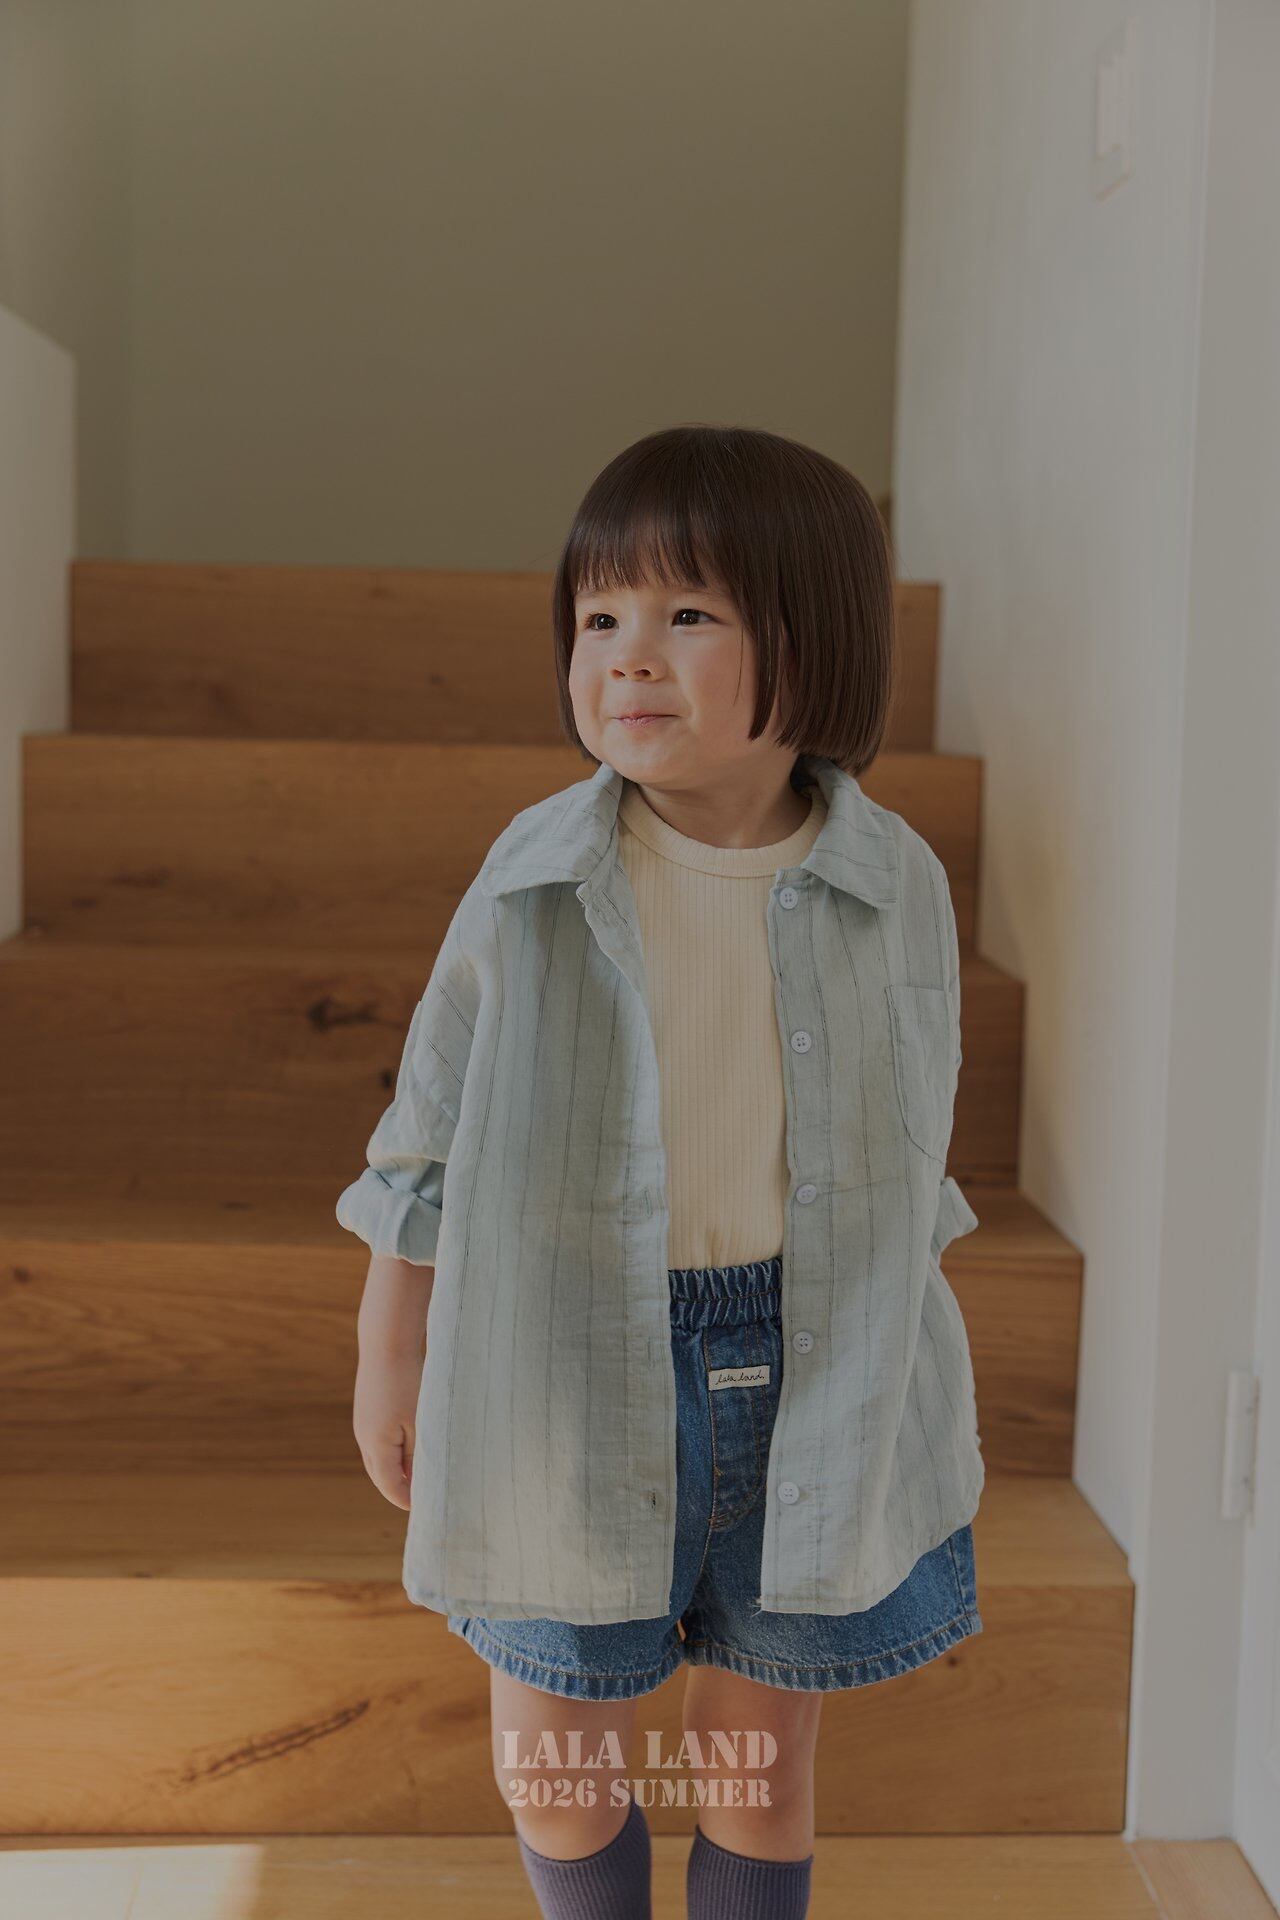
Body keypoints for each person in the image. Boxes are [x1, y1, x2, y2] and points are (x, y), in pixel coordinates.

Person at [338, 423, 985, 1919]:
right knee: (552, 1757)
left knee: (756, 1760)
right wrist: (392, 1348)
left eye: (686, 614)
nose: (626, 656)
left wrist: (903, 1371)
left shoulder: (897, 883)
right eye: (597, 619)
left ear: (812, 642)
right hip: (557, 1356)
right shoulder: (532, 873)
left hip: (811, 1359)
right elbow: (425, 1130)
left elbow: (910, 1147)